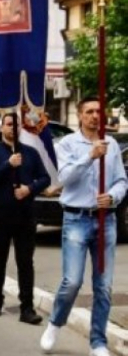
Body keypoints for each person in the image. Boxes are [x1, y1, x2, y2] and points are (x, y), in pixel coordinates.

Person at [42, 96, 128, 356]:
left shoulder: (112, 145)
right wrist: (90, 156)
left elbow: (122, 181)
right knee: (72, 281)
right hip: (76, 220)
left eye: (98, 111)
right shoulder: (67, 144)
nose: (94, 116)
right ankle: (55, 322)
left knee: (104, 286)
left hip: (106, 220)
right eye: (89, 111)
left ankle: (97, 342)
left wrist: (112, 196)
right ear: (80, 115)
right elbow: (64, 177)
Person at [0, 113, 49, 324]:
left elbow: (45, 178)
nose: (13, 128)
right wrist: (8, 164)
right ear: (2, 128)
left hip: (25, 214)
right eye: (9, 124)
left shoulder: (30, 152)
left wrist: (29, 189)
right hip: (0, 213)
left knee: (25, 261)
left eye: (16, 124)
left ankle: (27, 307)